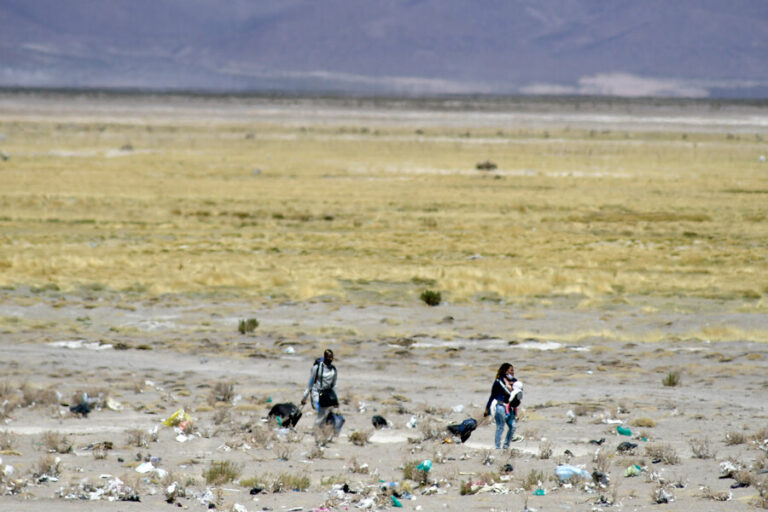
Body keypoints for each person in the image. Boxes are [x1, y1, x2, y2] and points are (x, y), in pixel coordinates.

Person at [484, 362, 521, 449]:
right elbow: (492, 395)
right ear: (505, 371)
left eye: (513, 371)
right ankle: (497, 447)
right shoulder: (498, 382)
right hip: (500, 407)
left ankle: (506, 445)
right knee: (500, 427)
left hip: (510, 408)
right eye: (511, 370)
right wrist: (487, 408)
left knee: (513, 426)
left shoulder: (515, 382)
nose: (513, 372)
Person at [301, 349, 338, 427]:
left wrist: (335, 400)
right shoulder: (317, 368)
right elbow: (310, 384)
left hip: (327, 394)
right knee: (321, 411)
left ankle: (321, 429)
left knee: (326, 413)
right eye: (329, 357)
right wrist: (305, 397)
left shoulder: (333, 370)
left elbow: (334, 385)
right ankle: (317, 430)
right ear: (325, 357)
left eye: (332, 357)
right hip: (316, 393)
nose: (330, 359)